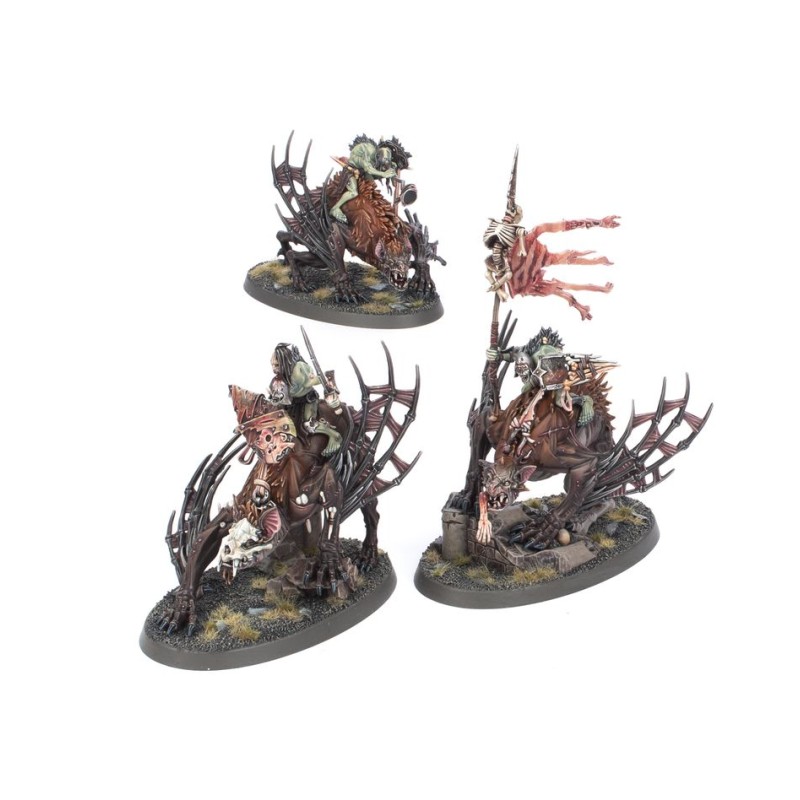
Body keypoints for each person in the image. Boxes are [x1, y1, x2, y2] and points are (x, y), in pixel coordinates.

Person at [267, 343, 342, 457]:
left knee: (309, 424)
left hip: (307, 399)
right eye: (272, 365)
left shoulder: (298, 370)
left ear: (284, 361)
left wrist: (326, 380)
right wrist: (275, 399)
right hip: (292, 403)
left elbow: (311, 382)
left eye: (277, 365)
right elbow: (282, 397)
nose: (274, 369)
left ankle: (334, 436)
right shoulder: (279, 378)